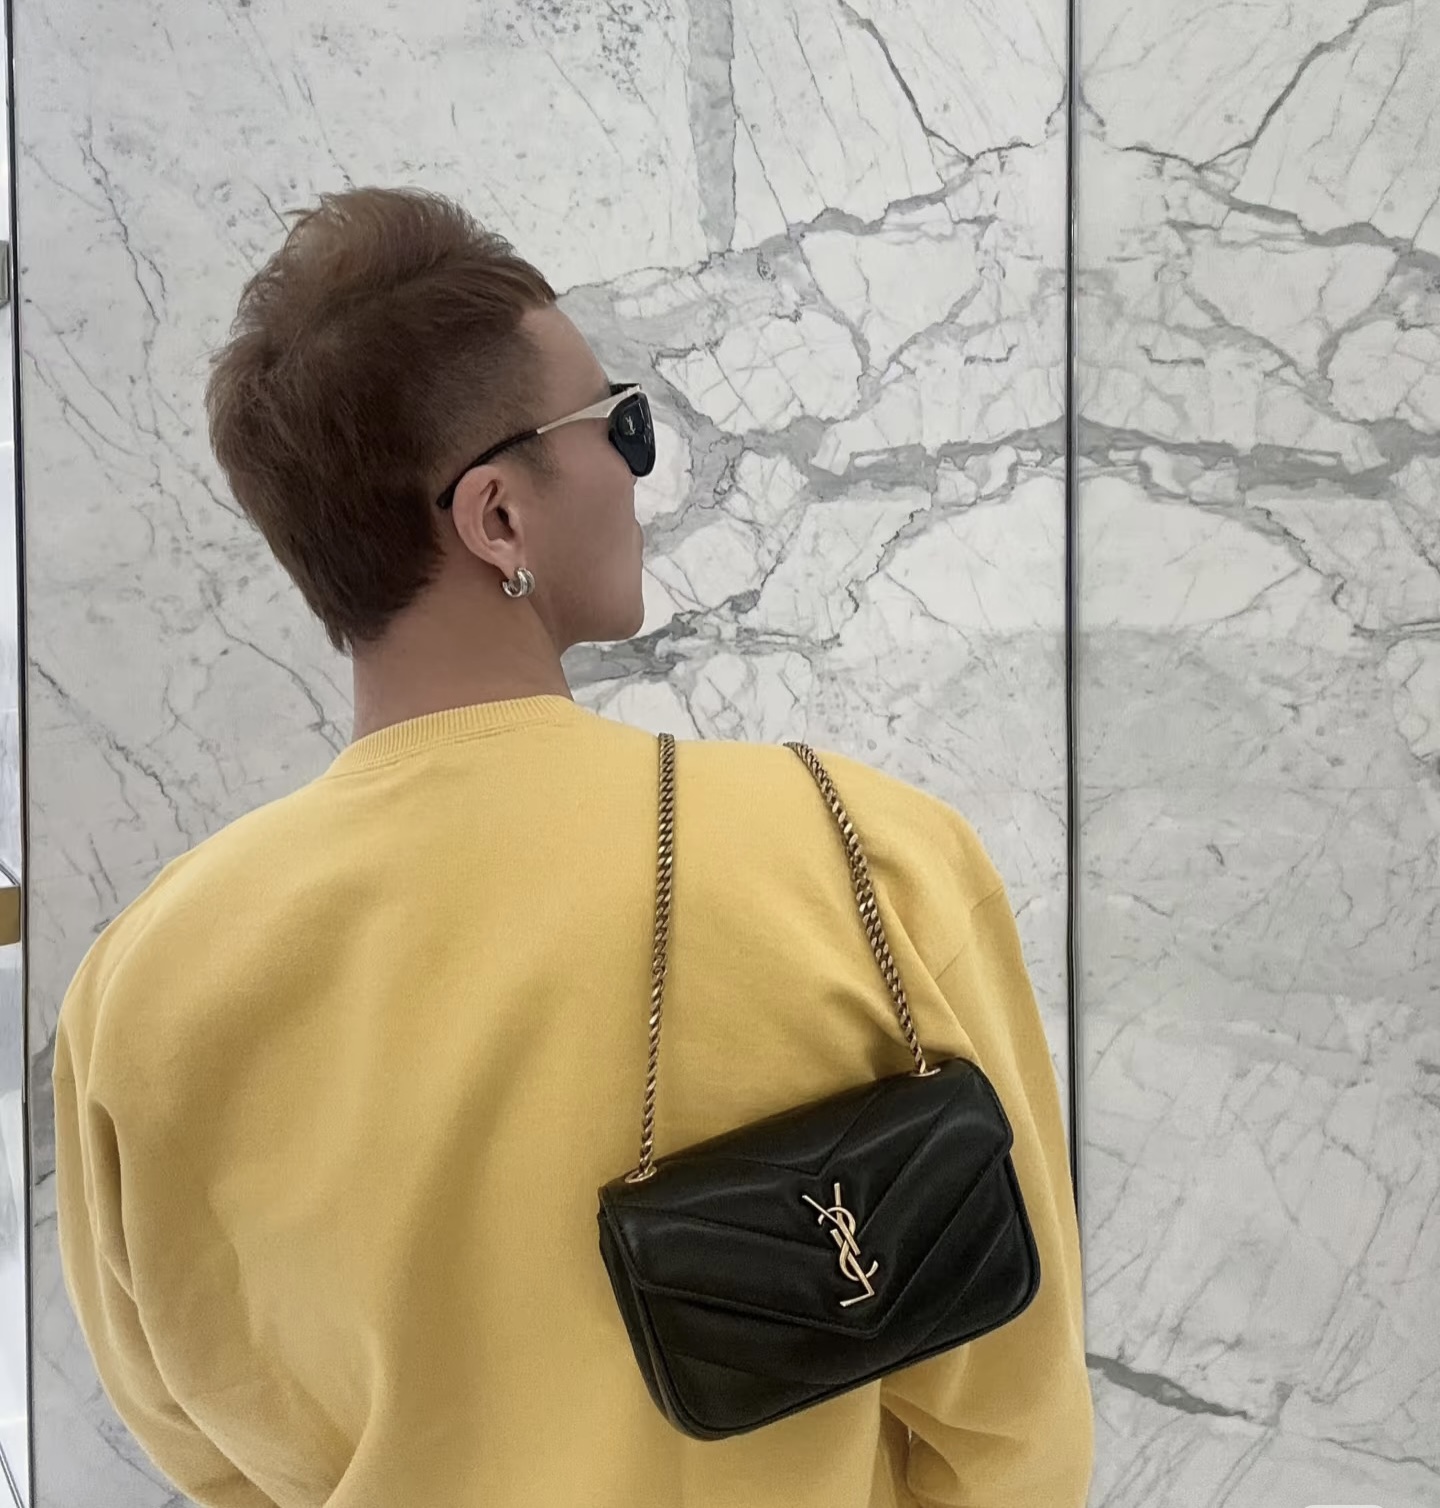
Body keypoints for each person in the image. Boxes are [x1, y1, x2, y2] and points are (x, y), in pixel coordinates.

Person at [52, 187, 1094, 1508]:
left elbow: (209, 1448)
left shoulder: (140, 991)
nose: (638, 470)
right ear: (496, 515)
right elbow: (1013, 1430)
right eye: (621, 425)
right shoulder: (855, 859)